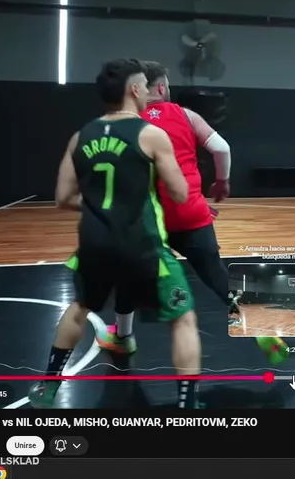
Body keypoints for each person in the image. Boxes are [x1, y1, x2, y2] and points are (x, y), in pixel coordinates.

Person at [29, 59, 203, 409]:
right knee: (183, 318)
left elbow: (63, 198)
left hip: (94, 244)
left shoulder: (81, 136)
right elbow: (180, 192)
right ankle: (187, 404)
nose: (149, 93)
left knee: (79, 308)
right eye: (144, 86)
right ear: (135, 90)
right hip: (142, 245)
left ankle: (48, 388)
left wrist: (102, 206)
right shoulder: (150, 134)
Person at [95, 62, 240, 357]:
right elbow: (222, 148)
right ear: (161, 87)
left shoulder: (125, 122)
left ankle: (123, 337)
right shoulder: (187, 115)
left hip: (147, 220)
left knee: (128, 277)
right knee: (215, 273)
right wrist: (222, 182)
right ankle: (254, 321)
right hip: (190, 212)